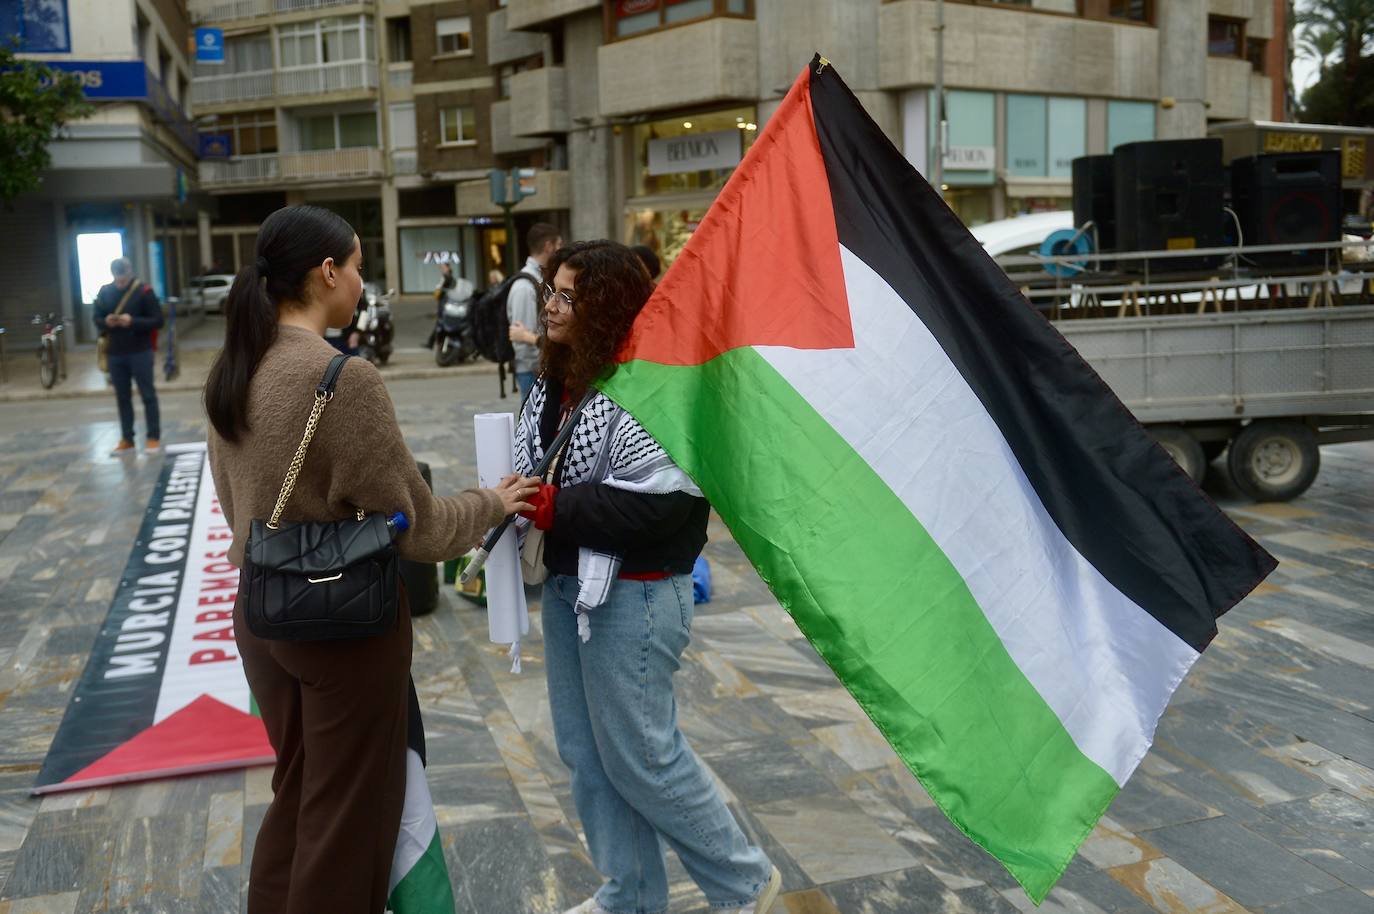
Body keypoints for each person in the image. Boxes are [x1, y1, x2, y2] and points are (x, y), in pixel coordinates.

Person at [204, 205, 540, 914]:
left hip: (260, 612)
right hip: (341, 627)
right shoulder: (342, 378)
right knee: (346, 825)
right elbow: (418, 529)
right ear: (327, 273)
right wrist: (491, 502)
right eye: (359, 266)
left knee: (299, 793)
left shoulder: (235, 368)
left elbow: (238, 510)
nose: (364, 281)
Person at [514, 241, 781, 914]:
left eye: (568, 296)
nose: (551, 305)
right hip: (569, 588)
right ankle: (629, 895)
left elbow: (663, 508)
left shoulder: (652, 387)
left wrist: (553, 507)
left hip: (633, 593)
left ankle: (746, 884)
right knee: (586, 755)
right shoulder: (556, 377)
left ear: (605, 307)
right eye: (551, 290)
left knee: (643, 758)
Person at [94, 257, 164, 456]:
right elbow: (96, 318)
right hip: (115, 353)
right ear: (113, 275)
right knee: (122, 397)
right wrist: (107, 321)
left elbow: (158, 320)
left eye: (123, 279)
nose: (120, 283)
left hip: (140, 351)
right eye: (118, 279)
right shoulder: (105, 292)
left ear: (130, 272)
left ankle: (153, 437)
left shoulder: (144, 291)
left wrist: (132, 321)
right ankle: (127, 439)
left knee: (148, 395)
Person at [507, 222, 562, 400]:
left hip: (541, 368)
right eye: (559, 244)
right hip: (533, 371)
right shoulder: (524, 286)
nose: (560, 249)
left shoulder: (541, 277)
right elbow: (521, 338)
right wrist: (538, 367)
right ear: (548, 246)